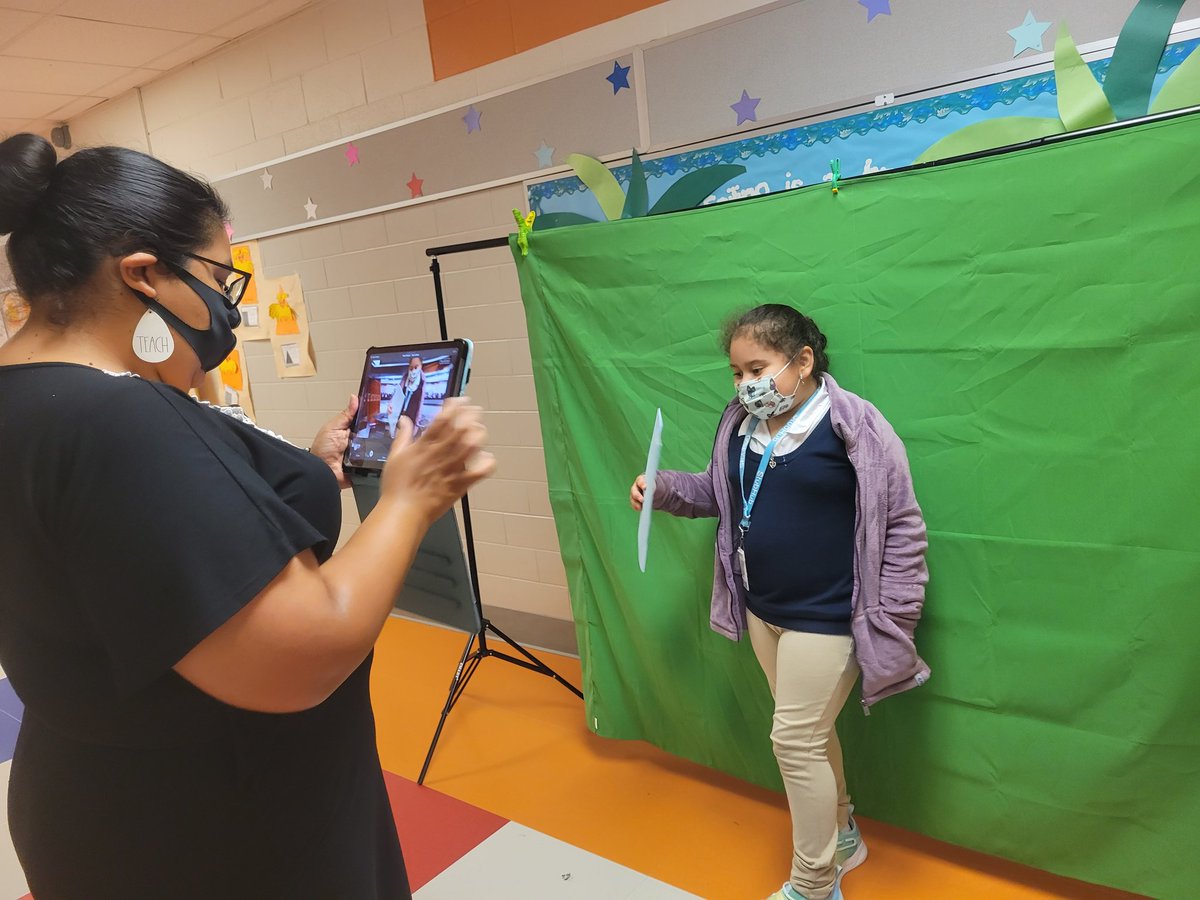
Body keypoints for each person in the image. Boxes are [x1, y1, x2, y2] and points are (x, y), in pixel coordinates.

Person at [0, 133, 495, 899]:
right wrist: (410, 499)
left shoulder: (29, 401)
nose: (227, 309)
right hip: (219, 831)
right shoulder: (121, 422)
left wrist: (309, 471)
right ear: (144, 273)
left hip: (93, 801)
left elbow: (138, 550)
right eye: (216, 279)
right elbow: (303, 655)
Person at [629, 304, 929, 900]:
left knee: (793, 741)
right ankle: (844, 835)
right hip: (764, 611)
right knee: (810, 734)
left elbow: (901, 524)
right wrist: (664, 488)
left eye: (757, 369)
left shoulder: (854, 425)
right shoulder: (740, 426)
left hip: (831, 617)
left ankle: (814, 884)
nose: (746, 385)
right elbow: (718, 492)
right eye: (737, 373)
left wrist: (893, 616)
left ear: (803, 361)